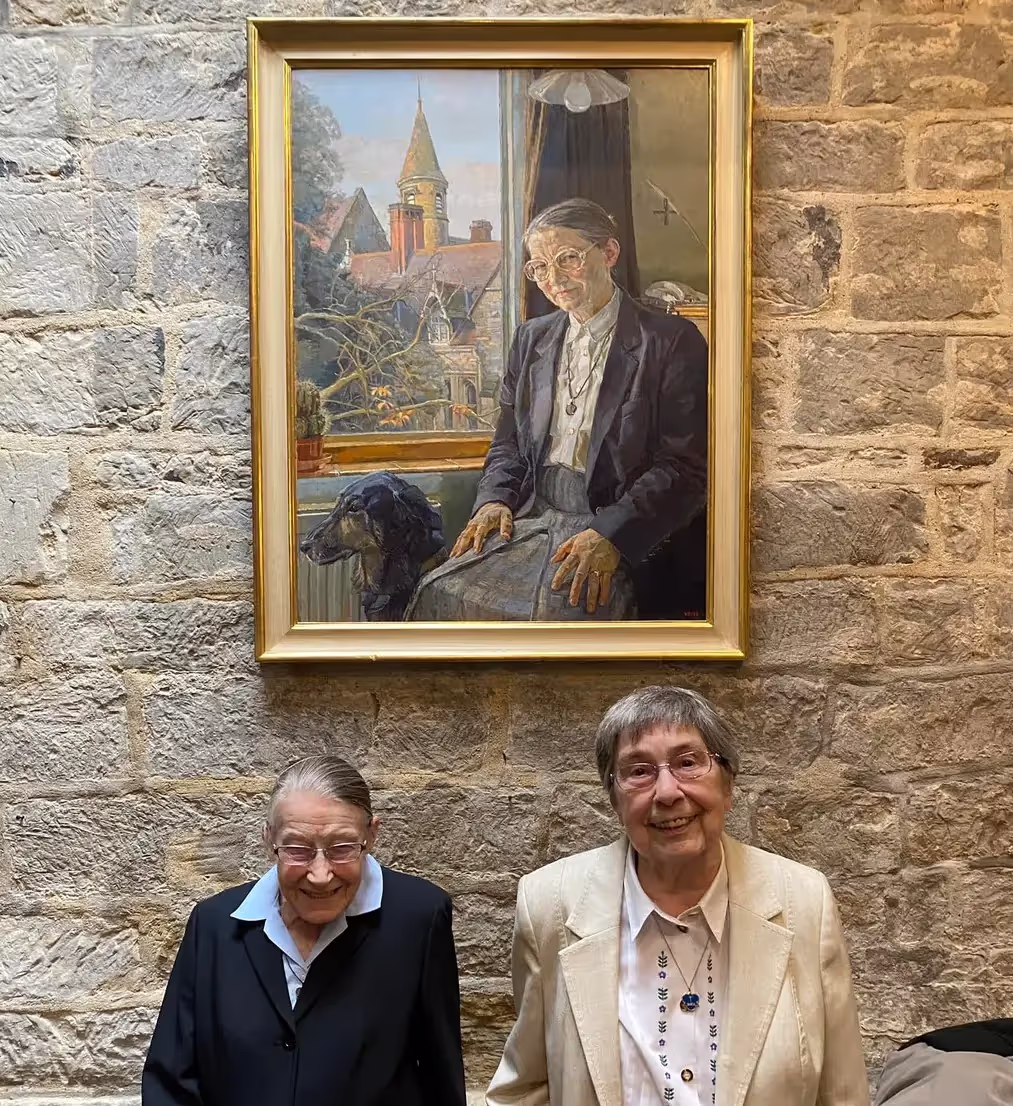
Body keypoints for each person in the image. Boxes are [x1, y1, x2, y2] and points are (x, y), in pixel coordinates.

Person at [486, 686, 869, 1106]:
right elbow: (522, 1091)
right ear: (615, 800)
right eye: (639, 771)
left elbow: (842, 1094)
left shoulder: (804, 903)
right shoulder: (550, 906)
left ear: (727, 784)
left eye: (688, 763)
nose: (667, 792)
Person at [408, 198, 708, 622]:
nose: (553, 279)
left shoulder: (670, 340)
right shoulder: (530, 339)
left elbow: (684, 467)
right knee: (437, 590)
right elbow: (509, 443)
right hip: (535, 514)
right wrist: (494, 500)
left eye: (568, 258)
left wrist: (611, 535)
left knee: (561, 617)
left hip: (621, 526)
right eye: (540, 267)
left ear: (609, 253)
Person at [142, 754, 466, 1106]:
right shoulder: (214, 925)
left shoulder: (420, 918)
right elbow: (170, 1084)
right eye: (297, 849)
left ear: (371, 835)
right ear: (269, 840)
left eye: (342, 848)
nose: (321, 874)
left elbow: (440, 1075)